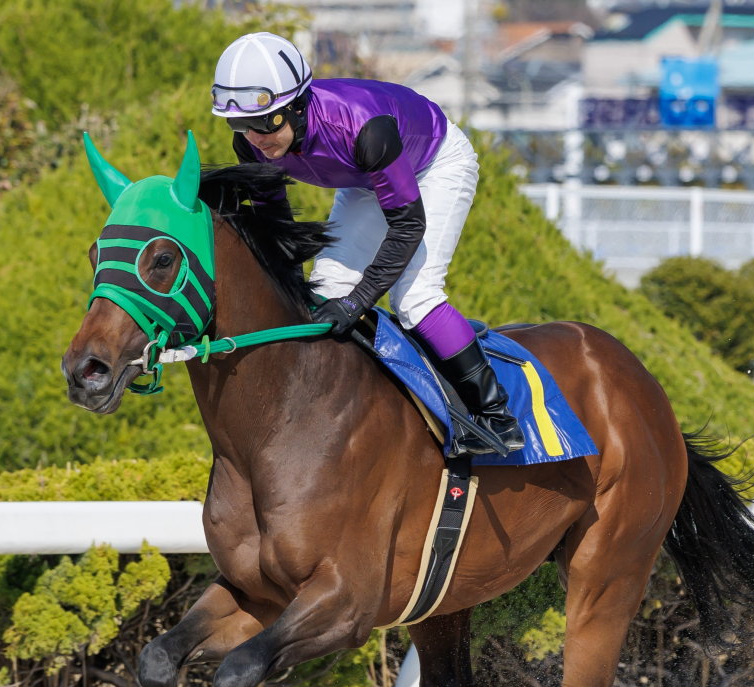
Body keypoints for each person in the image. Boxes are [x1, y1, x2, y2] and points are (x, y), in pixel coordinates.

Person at [211, 32, 524, 456]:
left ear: (298, 106)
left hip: (435, 164)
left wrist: (358, 302)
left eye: (267, 122)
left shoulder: (364, 129)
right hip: (363, 178)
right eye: (240, 124)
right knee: (325, 293)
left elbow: (408, 227)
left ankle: (496, 416)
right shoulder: (251, 142)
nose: (256, 137)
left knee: (415, 297)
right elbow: (276, 222)